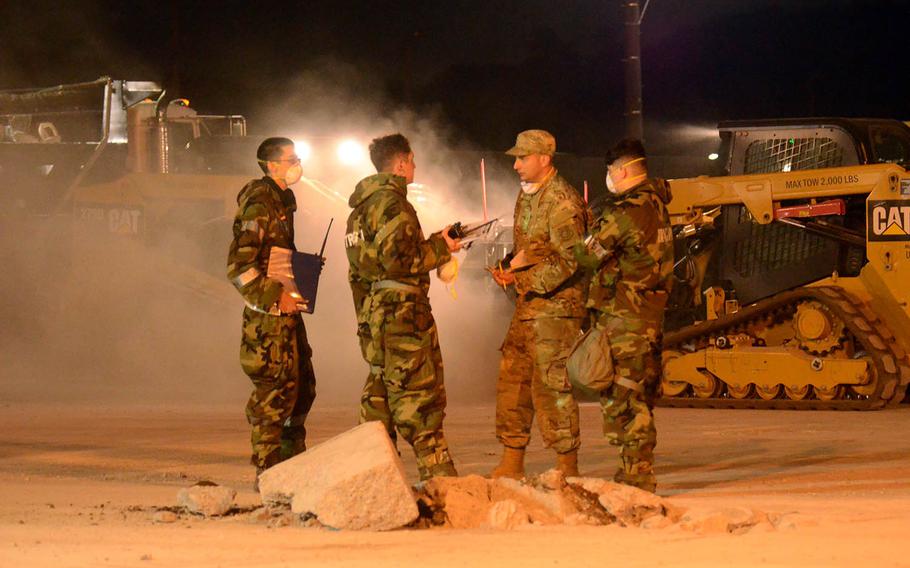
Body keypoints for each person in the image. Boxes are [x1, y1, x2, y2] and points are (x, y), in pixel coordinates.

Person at [345, 133, 461, 480]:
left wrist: (368, 318)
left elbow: (362, 272)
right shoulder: (393, 204)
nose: (414, 167)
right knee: (418, 396)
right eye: (411, 161)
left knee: (378, 397)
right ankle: (441, 485)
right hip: (402, 316)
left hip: (375, 315)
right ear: (399, 163)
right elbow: (400, 260)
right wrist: (442, 250)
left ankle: (375, 478)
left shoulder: (360, 210)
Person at [489, 129, 588, 479]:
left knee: (550, 385)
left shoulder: (563, 202)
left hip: (556, 308)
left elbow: (571, 261)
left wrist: (523, 279)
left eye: (522, 158)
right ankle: (512, 460)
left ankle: (566, 466)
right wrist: (509, 266)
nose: (516, 164)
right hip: (529, 305)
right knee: (512, 379)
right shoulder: (528, 196)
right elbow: (532, 248)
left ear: (544, 159)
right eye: (516, 157)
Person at [577, 138, 673, 493]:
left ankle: (637, 475)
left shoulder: (625, 210)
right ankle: (636, 470)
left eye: (610, 171)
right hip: (648, 314)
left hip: (625, 318)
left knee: (625, 397)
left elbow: (587, 255)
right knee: (639, 393)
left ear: (624, 170)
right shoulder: (657, 204)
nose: (608, 178)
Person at [227, 137, 317, 487]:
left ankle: (293, 460)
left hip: (287, 312)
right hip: (268, 319)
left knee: (303, 387)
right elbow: (239, 266)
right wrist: (273, 295)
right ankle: (267, 468)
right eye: (291, 158)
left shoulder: (282, 202)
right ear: (271, 165)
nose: (297, 164)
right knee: (274, 390)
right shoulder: (259, 202)